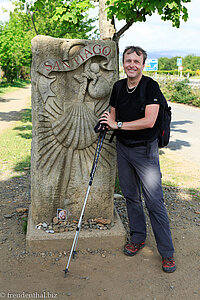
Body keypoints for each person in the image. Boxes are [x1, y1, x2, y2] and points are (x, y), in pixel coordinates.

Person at [99, 46, 176, 273]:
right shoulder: (118, 86)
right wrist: (108, 120)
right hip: (123, 149)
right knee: (131, 196)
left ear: (143, 64)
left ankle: (167, 253)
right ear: (123, 63)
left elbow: (150, 120)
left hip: (145, 150)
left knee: (154, 201)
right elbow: (113, 111)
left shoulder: (150, 86)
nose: (132, 64)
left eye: (136, 61)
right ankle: (138, 238)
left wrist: (118, 125)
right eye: (128, 60)